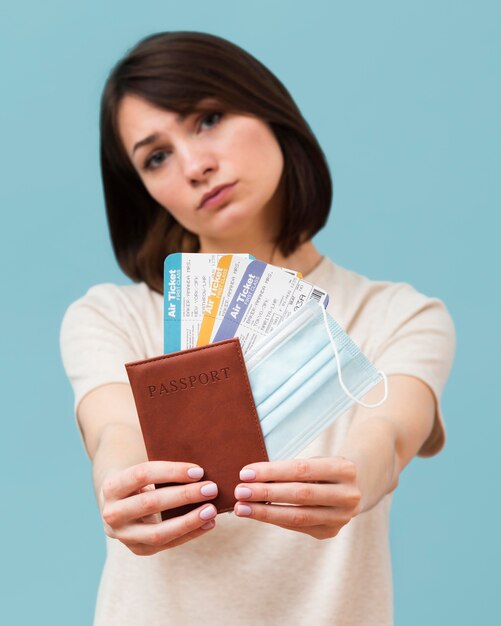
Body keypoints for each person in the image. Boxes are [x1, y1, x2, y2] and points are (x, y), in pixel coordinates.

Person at [59, 31, 456, 626]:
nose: (196, 166)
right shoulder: (113, 316)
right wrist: (121, 483)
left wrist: (358, 478)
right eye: (156, 156)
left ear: (268, 109)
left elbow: (392, 434)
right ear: (141, 190)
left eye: (209, 119)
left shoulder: (401, 315)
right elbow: (114, 428)